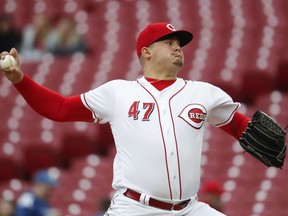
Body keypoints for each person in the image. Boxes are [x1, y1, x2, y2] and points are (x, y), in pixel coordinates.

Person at [0, 22, 277, 215]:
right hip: (134, 209)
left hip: (190, 209)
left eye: (178, 44)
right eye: (168, 42)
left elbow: (240, 125)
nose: (177, 47)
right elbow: (59, 108)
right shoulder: (119, 92)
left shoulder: (204, 93)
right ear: (146, 52)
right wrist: (20, 80)